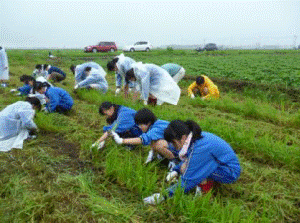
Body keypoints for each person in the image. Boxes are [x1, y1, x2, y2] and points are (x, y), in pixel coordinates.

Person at [143, 120, 241, 205]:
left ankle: (205, 191)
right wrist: (176, 170)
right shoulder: (195, 139)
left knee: (192, 172)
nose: (172, 146)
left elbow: (188, 180)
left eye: (173, 142)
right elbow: (190, 159)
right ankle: (209, 182)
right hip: (220, 163)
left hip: (230, 172)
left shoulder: (199, 148)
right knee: (185, 167)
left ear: (182, 138)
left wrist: (162, 196)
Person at [111, 108, 178, 164]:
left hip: (179, 149)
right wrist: (152, 151)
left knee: (158, 144)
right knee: (154, 141)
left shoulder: (156, 129)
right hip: (176, 145)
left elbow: (142, 139)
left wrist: (122, 140)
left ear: (148, 122)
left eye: (140, 125)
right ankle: (160, 156)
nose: (139, 127)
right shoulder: (158, 123)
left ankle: (174, 161)